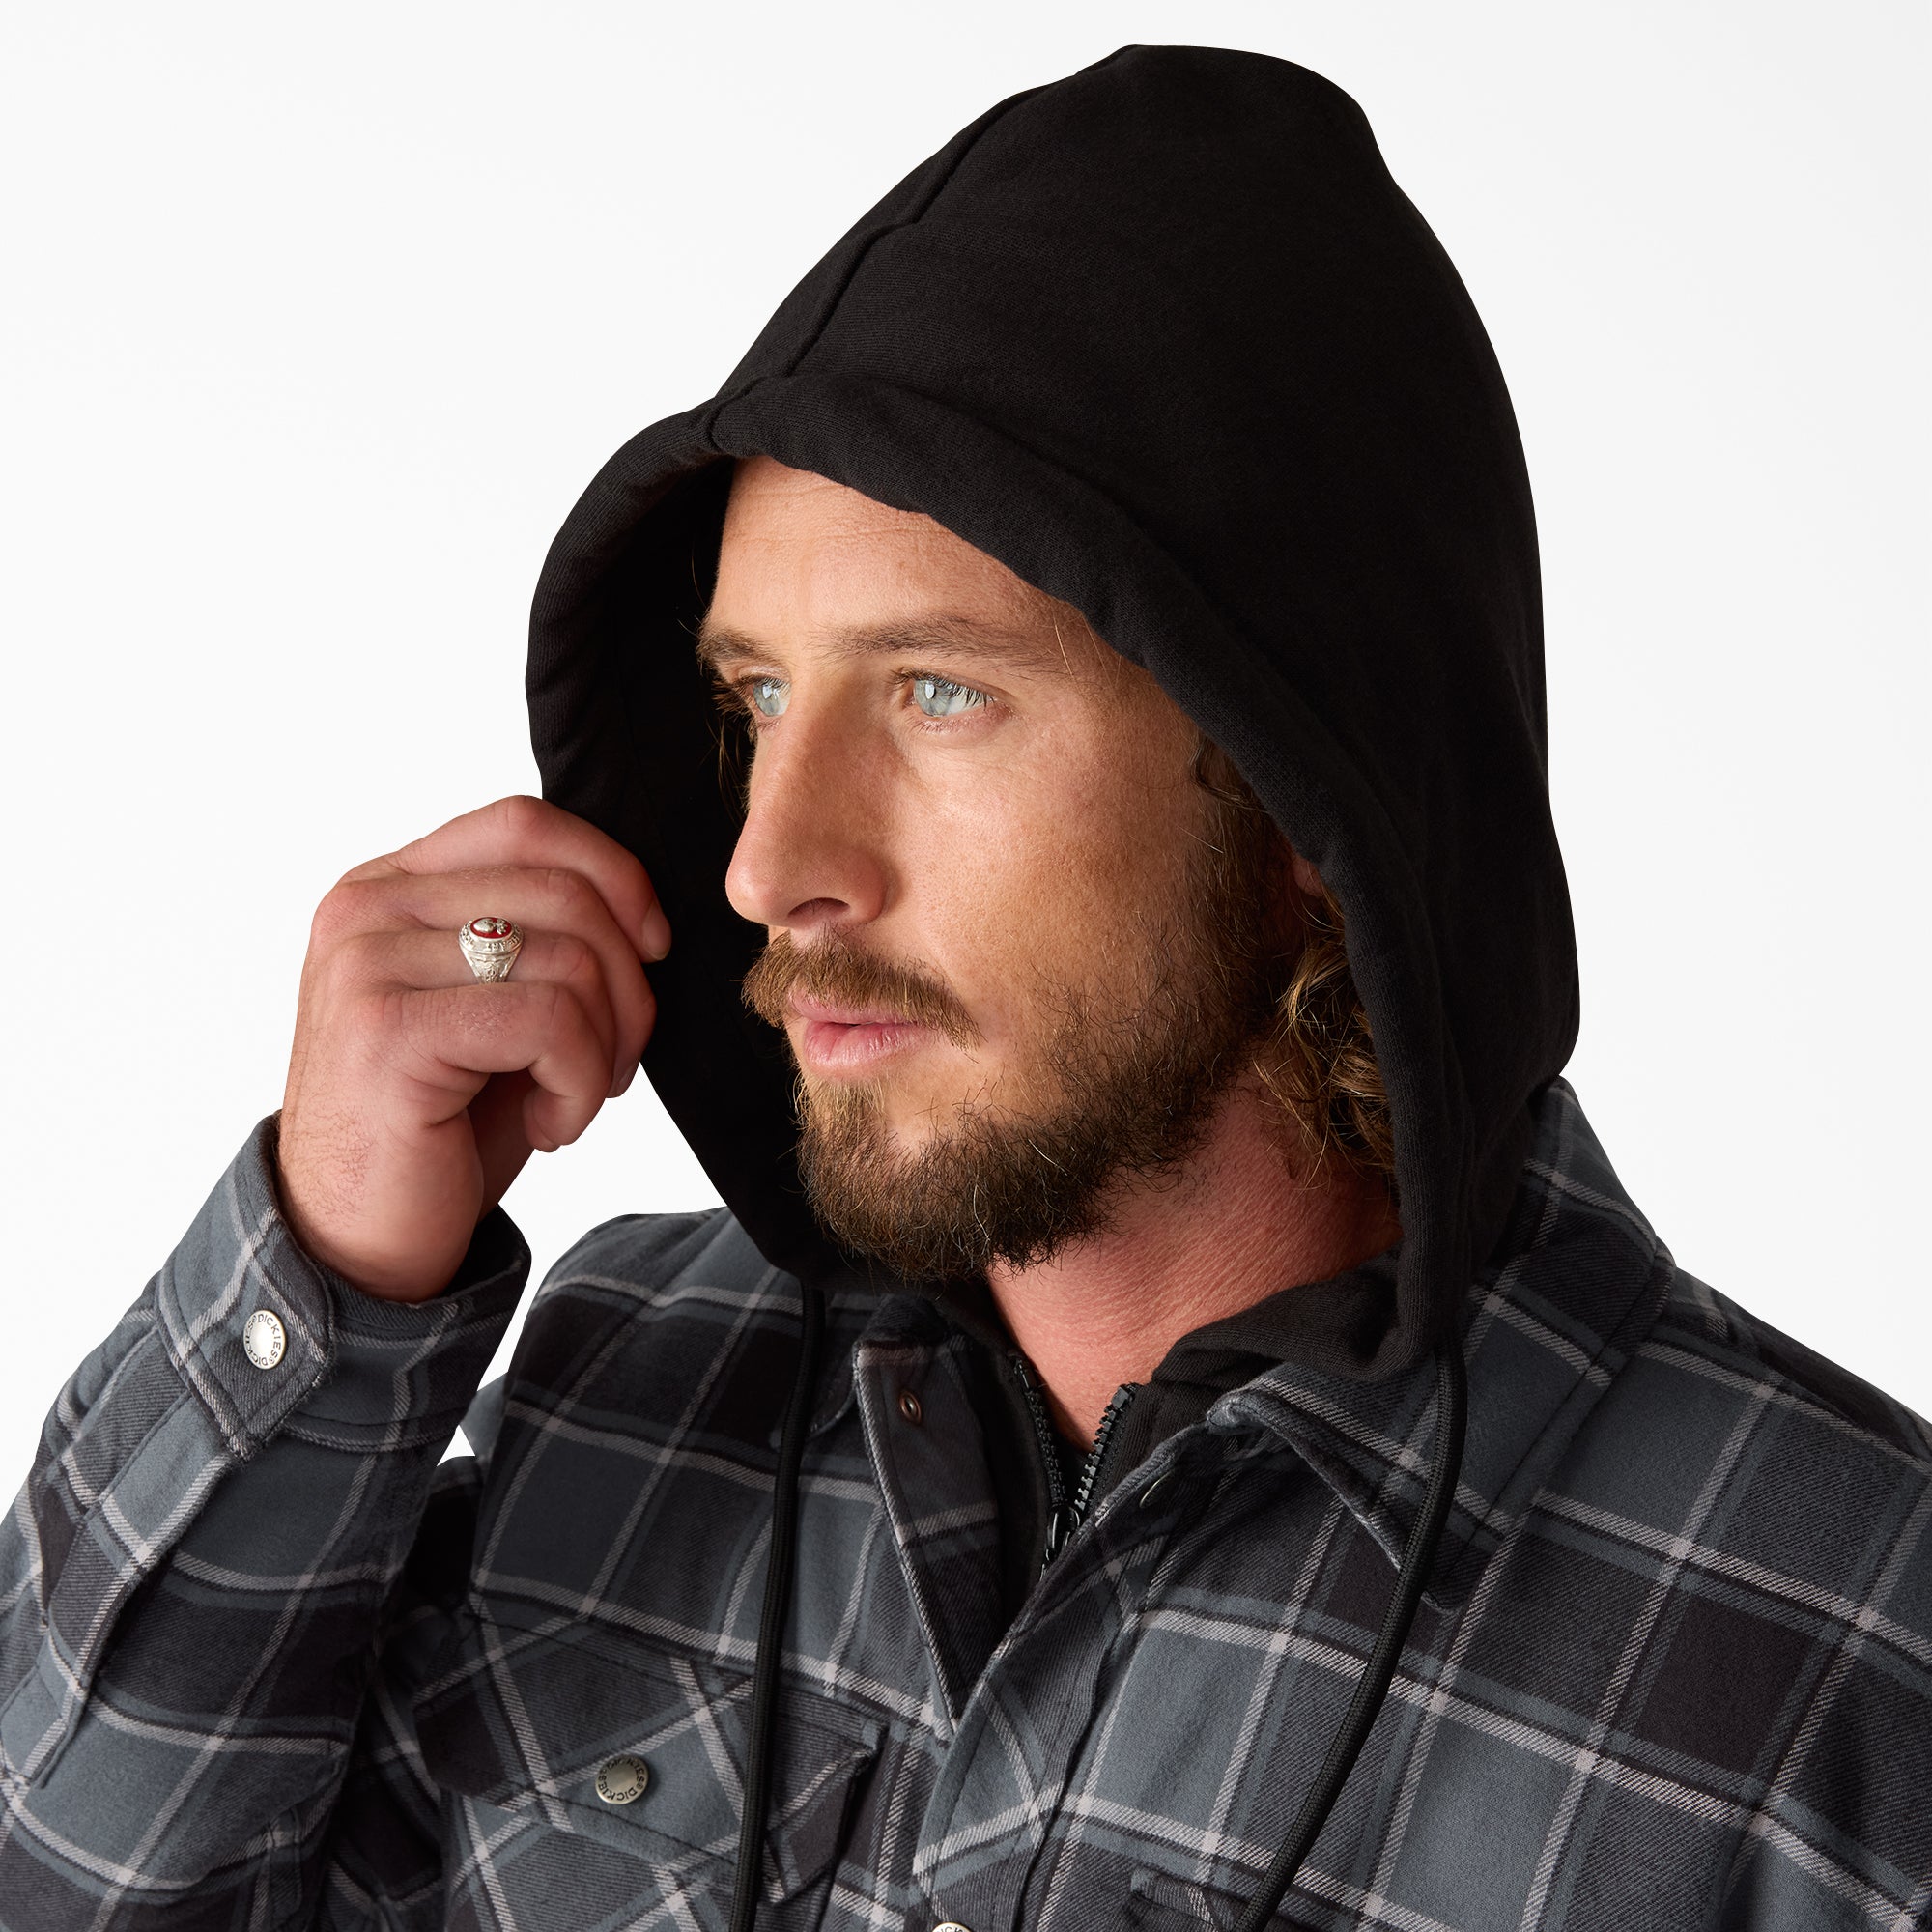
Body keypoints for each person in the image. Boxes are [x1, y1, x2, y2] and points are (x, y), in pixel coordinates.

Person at [2, 43, 1926, 1932]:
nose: (769, 864)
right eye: (759, 699)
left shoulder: (1843, 1658)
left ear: (1307, 797)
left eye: (940, 692)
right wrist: (330, 1274)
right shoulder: (628, 1388)